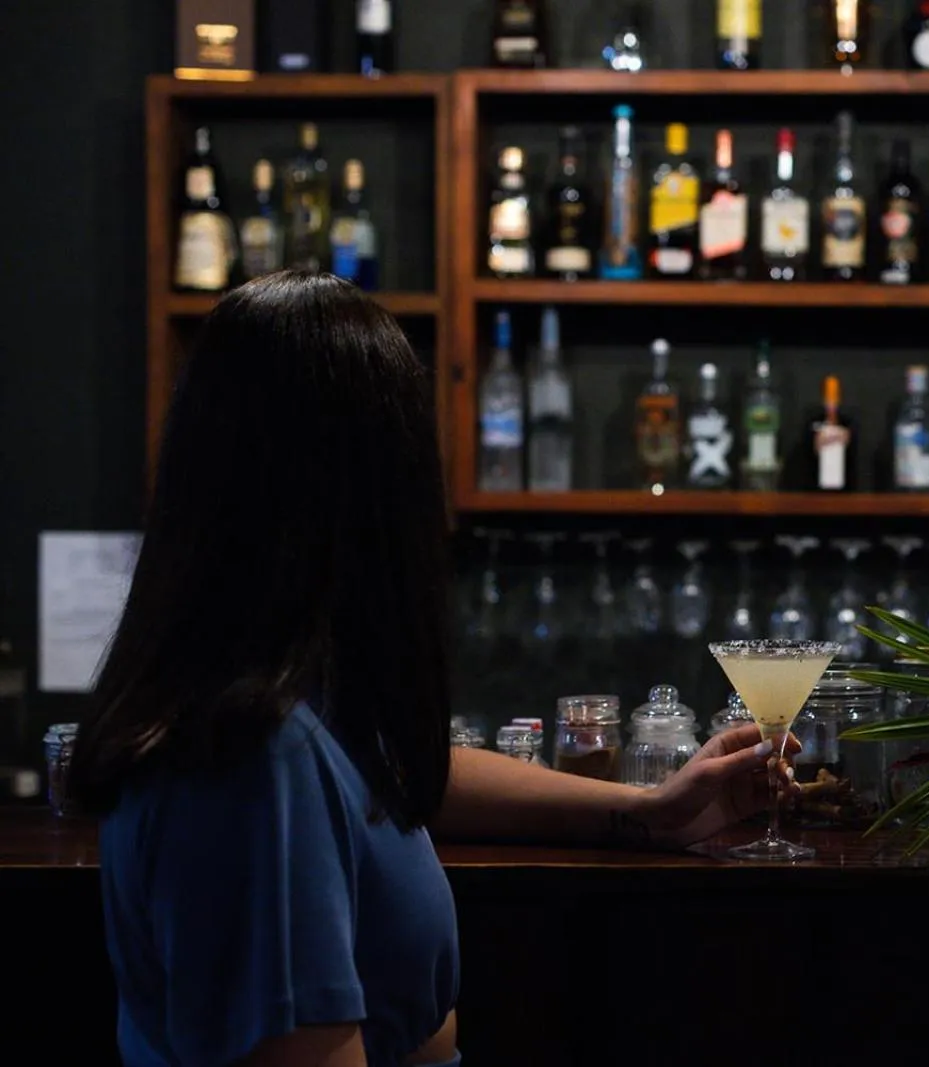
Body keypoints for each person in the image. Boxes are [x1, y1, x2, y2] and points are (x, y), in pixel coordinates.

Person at [68, 272, 789, 1067]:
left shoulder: (272, 705)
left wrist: (650, 808)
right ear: (380, 485)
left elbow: (401, 777)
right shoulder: (255, 761)